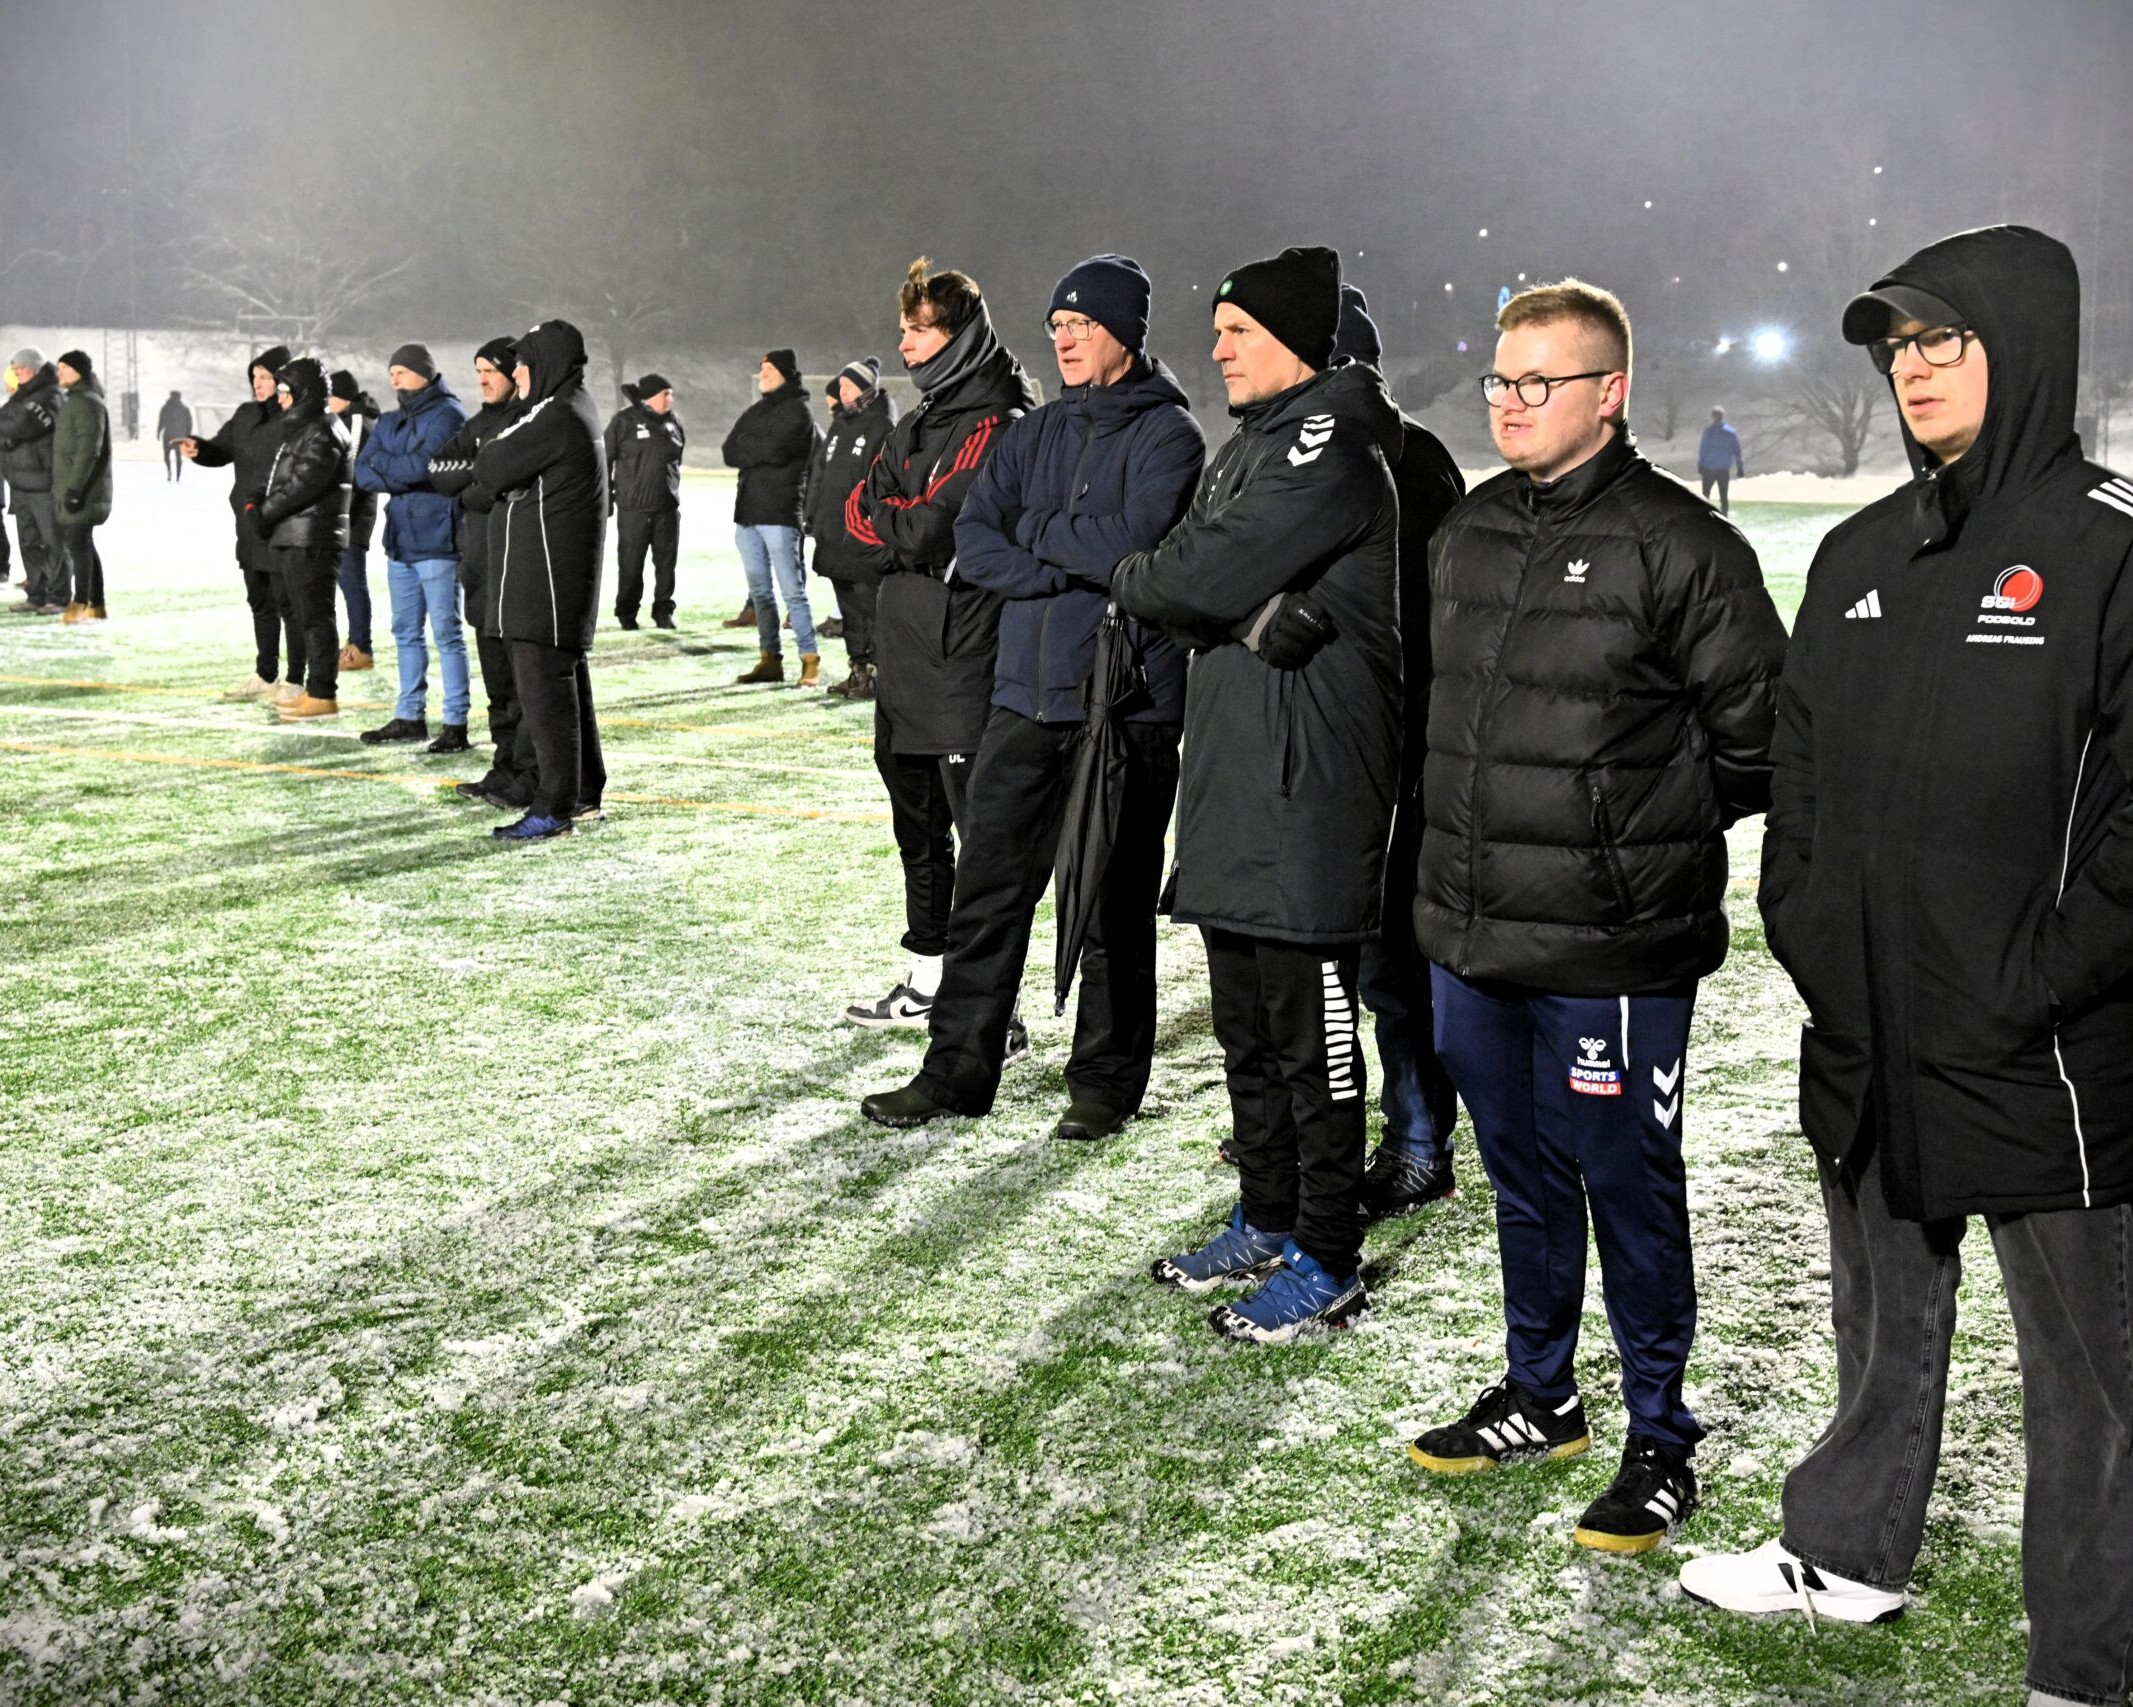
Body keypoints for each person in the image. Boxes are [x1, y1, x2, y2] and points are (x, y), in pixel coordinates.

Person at [1678, 226, 2133, 1707]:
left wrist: (2035, 976)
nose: (1914, 368)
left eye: (1945, 340)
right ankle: (1850, 1551)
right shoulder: (1868, 550)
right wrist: (1809, 925)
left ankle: (2089, 1652)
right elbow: (1798, 771)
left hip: (2045, 1047)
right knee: (1879, 1318)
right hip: (1868, 1027)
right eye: (1897, 346)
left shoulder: (2109, 548)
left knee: (2098, 1376)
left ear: (2024, 350)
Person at [1405, 279, 1787, 1553]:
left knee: (1627, 1186)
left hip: (1610, 949)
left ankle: (1661, 1439)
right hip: (1473, 935)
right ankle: (1540, 1395)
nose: (1509, 405)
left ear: (1608, 394)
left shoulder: (1687, 550)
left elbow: (1761, 749)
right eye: (1499, 383)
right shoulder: (1464, 532)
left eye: (1536, 384)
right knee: (1520, 1178)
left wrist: (1631, 842)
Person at [1111, 244, 1404, 1343]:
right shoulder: (1251, 448)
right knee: (1245, 1029)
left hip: (1310, 790)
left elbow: (1180, 575)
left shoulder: (1329, 442)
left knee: (1314, 1038)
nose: (1217, 348)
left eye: (1236, 332)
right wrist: (1224, 607)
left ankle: (1328, 1256)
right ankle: (1268, 1215)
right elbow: (1174, 565)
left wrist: (1197, 593)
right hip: (1238, 779)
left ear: (1291, 340)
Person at [858, 256, 1203, 1139]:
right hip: (1020, 696)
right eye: (1056, 324)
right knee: (987, 895)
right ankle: (955, 1070)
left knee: (1111, 906)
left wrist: (1040, 542)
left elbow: (1136, 543)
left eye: (1082, 324)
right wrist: (1076, 560)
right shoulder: (1034, 432)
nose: (1065, 338)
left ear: (1125, 331)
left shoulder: (1172, 436)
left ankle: (1103, 1084)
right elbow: (975, 543)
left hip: (1121, 706)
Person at [840, 258, 1039, 1027]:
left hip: (961, 656)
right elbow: (856, 520)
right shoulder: (918, 418)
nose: (906, 346)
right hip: (906, 651)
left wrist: (899, 525)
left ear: (957, 334)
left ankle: (999, 1010)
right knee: (915, 828)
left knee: (980, 840)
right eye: (903, 330)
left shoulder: (997, 420)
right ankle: (928, 976)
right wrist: (902, 527)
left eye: (918, 330)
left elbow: (931, 525)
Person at [1330, 284, 1469, 1218]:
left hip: (1399, 749)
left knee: (1393, 966)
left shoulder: (1406, 462)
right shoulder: (1301, 457)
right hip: (1343, 745)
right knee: (1340, 958)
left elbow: (1425, 618)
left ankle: (1418, 1140)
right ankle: (1332, 1120)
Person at [471, 319, 608, 841]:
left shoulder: (554, 415)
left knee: (547, 697)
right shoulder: (572, 406)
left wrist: (500, 478)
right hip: (551, 583)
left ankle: (554, 807)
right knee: (568, 691)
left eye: (524, 362)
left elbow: (490, 464)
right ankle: (584, 793)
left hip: (544, 583)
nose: (517, 373)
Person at [429, 337, 537, 810]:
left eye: (489, 371)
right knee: (497, 686)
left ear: (513, 372)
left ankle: (528, 775)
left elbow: (501, 480)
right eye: (478, 373)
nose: (483, 380)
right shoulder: (479, 423)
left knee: (522, 688)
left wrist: (475, 479)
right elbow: (438, 469)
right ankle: (504, 767)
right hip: (479, 571)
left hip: (514, 569)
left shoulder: (526, 422)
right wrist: (479, 476)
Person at [353, 342, 471, 752]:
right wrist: (399, 470)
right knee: (405, 631)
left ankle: (455, 722)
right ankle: (410, 716)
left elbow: (425, 467)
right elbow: (362, 471)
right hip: (400, 540)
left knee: (447, 633)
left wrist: (389, 465)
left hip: (438, 539)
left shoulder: (449, 415)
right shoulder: (390, 420)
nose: (394, 379)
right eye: (391, 373)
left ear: (423, 372)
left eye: (400, 372)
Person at [184, 346, 300, 698]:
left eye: (266, 377)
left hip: (282, 525)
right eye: (255, 377)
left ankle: (296, 680)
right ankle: (266, 676)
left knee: (289, 605)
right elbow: (222, 449)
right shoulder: (246, 415)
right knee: (260, 602)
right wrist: (200, 450)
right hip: (248, 525)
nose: (258, 383)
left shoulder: (294, 418)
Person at [253, 357, 352, 720]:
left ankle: (323, 693)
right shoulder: (309, 428)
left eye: (284, 392)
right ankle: (315, 688)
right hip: (299, 535)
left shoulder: (323, 430)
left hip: (311, 537)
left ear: (302, 393)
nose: (279, 399)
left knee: (315, 617)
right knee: (305, 615)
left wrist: (264, 513)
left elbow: (303, 485)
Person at [722, 349, 823, 684]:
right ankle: (770, 659)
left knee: (792, 591)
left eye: (769, 369)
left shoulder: (799, 412)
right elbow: (728, 450)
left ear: (785, 373)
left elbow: (778, 451)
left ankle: (810, 660)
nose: (762, 373)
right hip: (747, 514)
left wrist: (752, 448)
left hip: (779, 513)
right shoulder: (756, 411)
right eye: (761, 368)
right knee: (761, 593)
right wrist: (757, 449)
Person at [805, 357, 896, 699]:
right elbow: (820, 475)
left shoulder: (881, 428)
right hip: (833, 536)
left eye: (847, 385)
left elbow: (884, 484)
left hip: (862, 538)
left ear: (865, 388)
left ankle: (876, 674)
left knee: (867, 609)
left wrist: (874, 527)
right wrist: (812, 514)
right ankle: (857, 671)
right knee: (848, 611)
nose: (840, 392)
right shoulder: (839, 427)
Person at [605, 372, 686, 630]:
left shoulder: (674, 424)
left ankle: (663, 611)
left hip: (667, 508)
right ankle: (627, 612)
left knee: (666, 564)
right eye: (666, 394)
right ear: (651, 396)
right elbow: (604, 461)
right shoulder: (623, 422)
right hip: (634, 509)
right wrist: (607, 498)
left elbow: (676, 461)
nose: (670, 399)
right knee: (631, 564)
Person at [0, 350, 66, 615]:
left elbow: (22, 426)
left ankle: (59, 596)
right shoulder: (21, 397)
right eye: (14, 371)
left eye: (21, 370)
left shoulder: (50, 395)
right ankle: (36, 593)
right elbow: (7, 422)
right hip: (20, 481)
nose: (17, 374)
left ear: (35, 369)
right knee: (29, 543)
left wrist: (11, 431)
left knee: (53, 541)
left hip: (44, 481)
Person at [51, 351, 112, 624]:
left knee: (77, 542)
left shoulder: (87, 403)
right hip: (76, 487)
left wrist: (75, 489)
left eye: (64, 367)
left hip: (84, 490)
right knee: (83, 542)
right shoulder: (75, 401)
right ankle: (96, 604)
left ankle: (81, 602)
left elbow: (90, 450)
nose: (59, 372)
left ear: (78, 371)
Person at [328, 371, 380, 671]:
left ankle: (361, 647)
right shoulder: (345, 420)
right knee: (345, 583)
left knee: (352, 583)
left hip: (353, 518)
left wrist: (340, 513)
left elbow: (353, 474)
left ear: (342, 396)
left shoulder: (358, 422)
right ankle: (353, 644)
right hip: (343, 517)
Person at [1697, 406, 1747, 514]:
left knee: (1705, 496)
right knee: (1723, 497)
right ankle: (1724, 518)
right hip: (1723, 469)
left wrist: (1700, 465)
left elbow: (1703, 449)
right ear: (1722, 416)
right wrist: (1740, 466)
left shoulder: (1708, 432)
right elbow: (1736, 450)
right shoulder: (1730, 432)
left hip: (1708, 468)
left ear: (1712, 416)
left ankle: (1704, 518)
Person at [157, 390, 192, 482]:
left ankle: (169, 471)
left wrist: (158, 432)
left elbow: (161, 422)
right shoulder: (184, 409)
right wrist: (188, 435)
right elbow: (189, 424)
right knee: (178, 456)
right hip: (180, 436)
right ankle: (178, 476)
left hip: (168, 435)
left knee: (166, 455)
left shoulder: (165, 408)